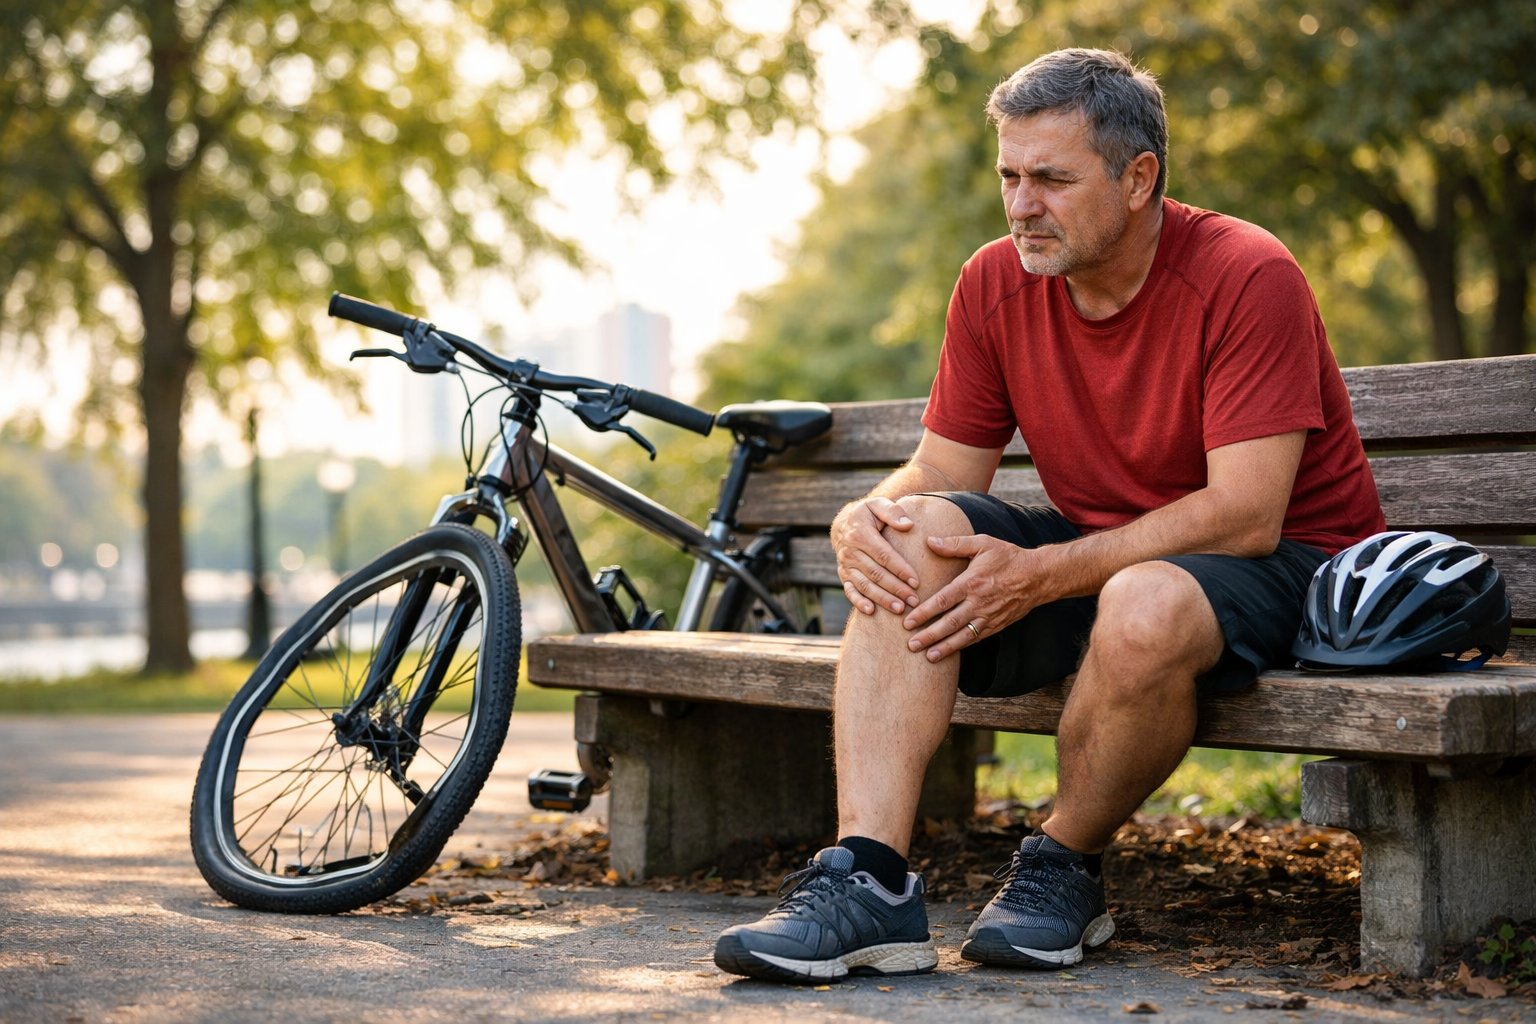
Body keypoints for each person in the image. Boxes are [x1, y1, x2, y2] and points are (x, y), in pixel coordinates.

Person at [713, 47, 1386, 984]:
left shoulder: (1245, 273)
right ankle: (868, 884)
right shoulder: (995, 281)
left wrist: (1044, 575)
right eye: (1010, 176)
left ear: (1139, 178)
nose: (1022, 204)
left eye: (1052, 179)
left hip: (1291, 570)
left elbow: (1245, 515)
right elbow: (944, 467)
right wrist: (861, 517)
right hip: (1109, 558)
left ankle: (1062, 866)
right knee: (914, 536)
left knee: (1146, 600)